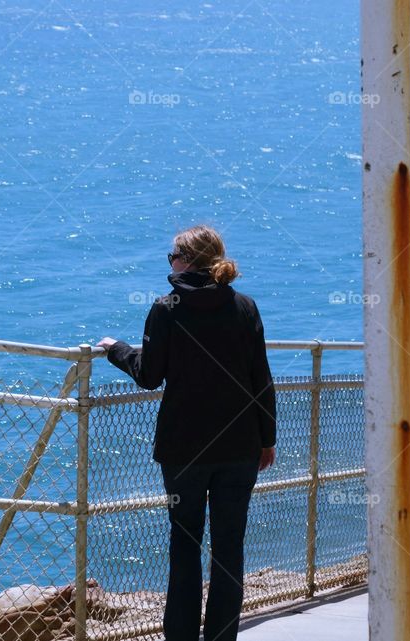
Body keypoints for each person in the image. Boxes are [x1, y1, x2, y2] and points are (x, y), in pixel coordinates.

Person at [97, 224, 276, 641]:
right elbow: (261, 380)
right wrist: (266, 439)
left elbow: (149, 374)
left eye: (172, 257)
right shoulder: (245, 307)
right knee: (229, 550)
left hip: (185, 450)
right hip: (240, 447)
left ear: (186, 260)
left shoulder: (167, 307)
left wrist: (116, 349)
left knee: (184, 547)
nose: (169, 263)